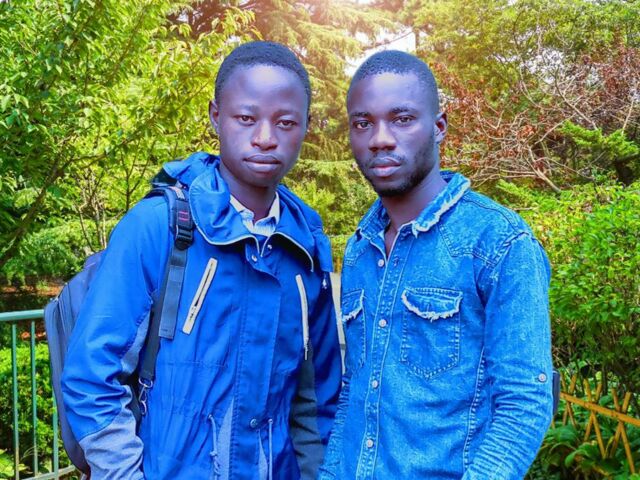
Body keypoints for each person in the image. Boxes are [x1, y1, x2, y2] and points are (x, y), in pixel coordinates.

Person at [61, 41, 342, 480]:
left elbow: (317, 402)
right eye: (246, 118)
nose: (265, 137)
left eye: (285, 122)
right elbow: (91, 377)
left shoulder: (305, 246)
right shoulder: (159, 227)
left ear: (305, 126)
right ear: (216, 116)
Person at [319, 50, 554, 479]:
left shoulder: (498, 242)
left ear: (439, 127)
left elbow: (524, 404)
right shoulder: (359, 251)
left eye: (402, 119)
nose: (380, 139)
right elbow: (356, 390)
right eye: (363, 123)